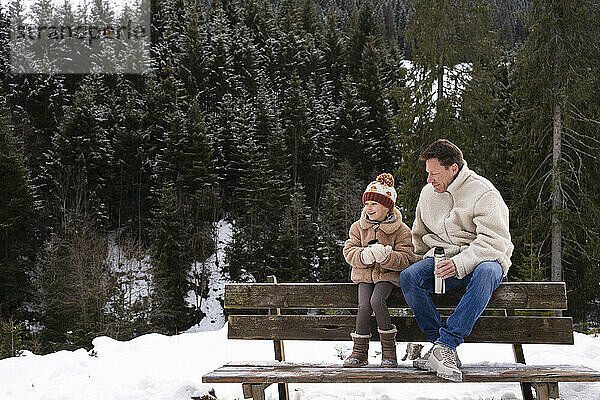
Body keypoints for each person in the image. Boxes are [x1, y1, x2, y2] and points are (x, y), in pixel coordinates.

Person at [398, 139, 514, 382]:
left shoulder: (484, 193)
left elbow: (495, 241)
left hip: (483, 259)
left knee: (487, 271)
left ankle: (447, 344)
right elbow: (419, 235)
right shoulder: (428, 193)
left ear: (454, 168)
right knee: (410, 277)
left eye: (435, 173)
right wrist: (420, 262)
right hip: (442, 258)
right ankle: (440, 347)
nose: (430, 179)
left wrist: (460, 263)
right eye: (428, 173)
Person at [342, 173, 417, 368]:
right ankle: (359, 351)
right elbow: (349, 251)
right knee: (364, 305)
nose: (369, 208)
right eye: (366, 204)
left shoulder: (401, 231)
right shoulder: (358, 228)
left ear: (387, 207)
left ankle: (389, 351)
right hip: (365, 275)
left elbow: (408, 259)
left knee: (377, 300)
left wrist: (386, 257)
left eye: (374, 204)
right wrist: (363, 256)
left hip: (387, 276)